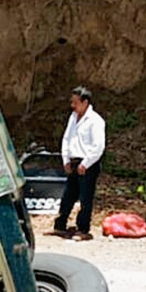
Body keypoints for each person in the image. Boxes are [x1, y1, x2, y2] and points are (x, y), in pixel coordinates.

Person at [50, 86, 106, 242]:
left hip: (88, 162)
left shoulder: (95, 121)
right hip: (74, 160)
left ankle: (83, 229)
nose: (73, 106)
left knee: (85, 197)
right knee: (69, 195)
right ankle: (60, 225)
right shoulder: (73, 117)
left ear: (85, 102)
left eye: (76, 102)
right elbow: (67, 138)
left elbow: (98, 146)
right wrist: (66, 159)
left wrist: (86, 163)